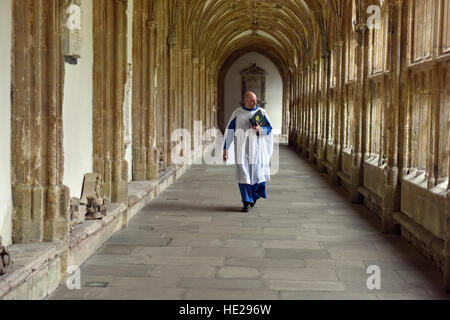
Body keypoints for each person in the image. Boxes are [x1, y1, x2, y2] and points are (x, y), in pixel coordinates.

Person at [223, 91, 274, 213]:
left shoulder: (258, 113)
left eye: (256, 100)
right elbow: (230, 132)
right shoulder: (238, 114)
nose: (255, 102)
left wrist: (260, 129)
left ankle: (254, 196)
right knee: (243, 176)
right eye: (252, 100)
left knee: (257, 175)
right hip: (242, 150)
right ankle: (246, 201)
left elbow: (268, 129)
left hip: (257, 151)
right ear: (245, 100)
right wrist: (225, 149)